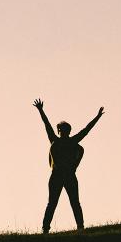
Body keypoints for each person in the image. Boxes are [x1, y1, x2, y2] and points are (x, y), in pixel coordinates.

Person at [33, 99, 104, 234]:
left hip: (61, 175)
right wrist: (98, 116)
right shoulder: (69, 141)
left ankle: (50, 228)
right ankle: (76, 227)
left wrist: (98, 117)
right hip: (62, 175)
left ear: (61, 130)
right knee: (67, 202)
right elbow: (86, 129)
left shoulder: (60, 141)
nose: (61, 131)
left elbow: (86, 129)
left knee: (60, 202)